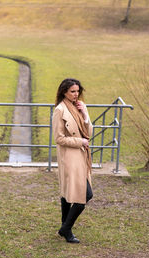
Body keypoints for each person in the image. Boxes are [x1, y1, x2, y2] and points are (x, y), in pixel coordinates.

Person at [52, 78, 93, 243]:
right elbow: (59, 138)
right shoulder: (60, 110)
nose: (76, 95)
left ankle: (65, 228)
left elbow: (88, 132)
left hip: (81, 156)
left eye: (77, 91)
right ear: (64, 92)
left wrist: (85, 114)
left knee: (69, 195)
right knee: (83, 196)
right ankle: (66, 228)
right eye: (72, 92)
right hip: (69, 156)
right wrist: (79, 142)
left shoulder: (79, 107)